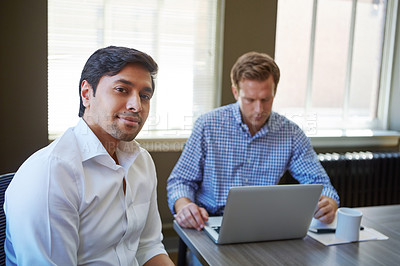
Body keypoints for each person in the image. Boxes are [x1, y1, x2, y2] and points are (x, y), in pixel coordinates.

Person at [4, 46, 174, 266]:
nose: (136, 106)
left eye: (145, 96)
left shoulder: (141, 161)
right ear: (87, 94)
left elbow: (147, 247)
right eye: (122, 89)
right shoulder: (50, 174)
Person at [167, 51, 339, 231]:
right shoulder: (208, 125)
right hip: (209, 222)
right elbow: (180, 181)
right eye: (250, 100)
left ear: (274, 92)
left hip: (262, 223)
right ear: (235, 92)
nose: (259, 109)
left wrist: (329, 202)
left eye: (266, 99)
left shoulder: (291, 133)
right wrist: (184, 206)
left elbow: (320, 183)